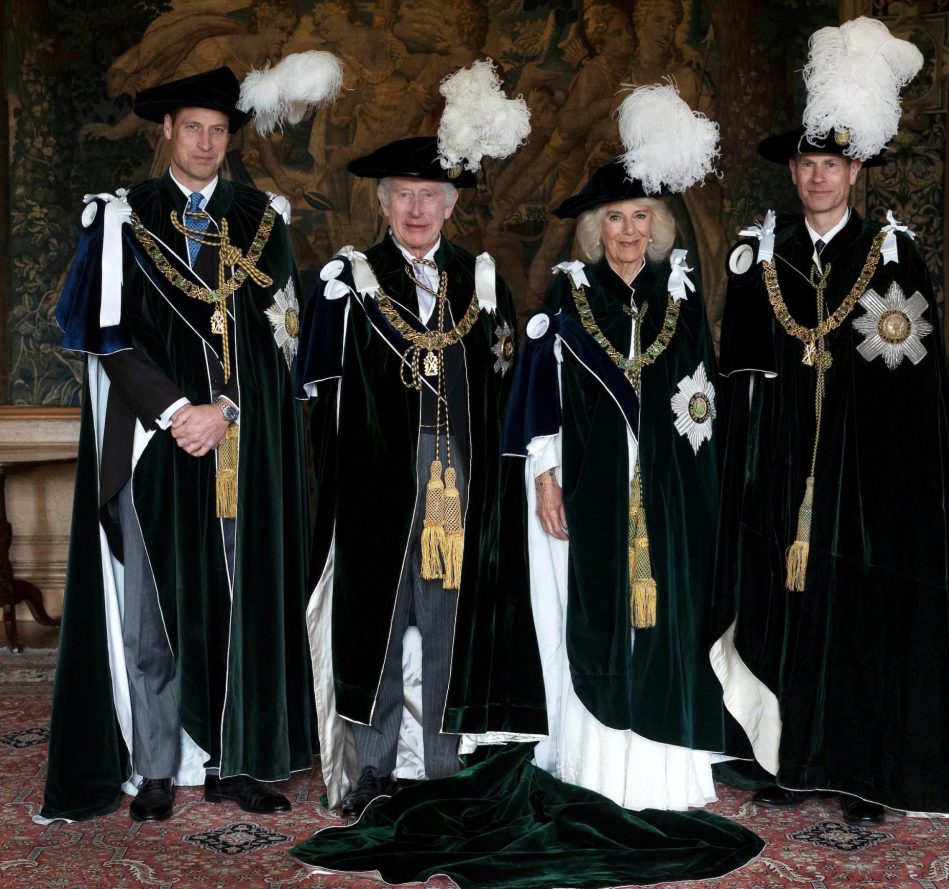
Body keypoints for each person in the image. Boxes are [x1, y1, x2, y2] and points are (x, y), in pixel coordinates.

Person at [709, 122, 949, 823]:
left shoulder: (891, 253)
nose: (819, 177)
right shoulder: (765, 254)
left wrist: (897, 484)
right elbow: (744, 376)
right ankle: (791, 759)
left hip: (863, 476)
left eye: (832, 165)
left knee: (853, 620)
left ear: (854, 174)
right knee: (786, 611)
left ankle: (855, 771)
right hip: (786, 470)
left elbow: (912, 388)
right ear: (792, 174)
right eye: (808, 164)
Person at [43, 66, 313, 823]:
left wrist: (223, 408)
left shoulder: (264, 220)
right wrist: (175, 412)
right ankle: (156, 765)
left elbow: (282, 340)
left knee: (237, 599)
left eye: (218, 130)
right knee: (152, 610)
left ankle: (237, 759)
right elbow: (109, 338)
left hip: (236, 443)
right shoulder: (122, 216)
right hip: (152, 443)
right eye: (192, 127)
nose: (205, 143)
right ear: (166, 131)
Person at [295, 135, 547, 819]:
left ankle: (439, 767)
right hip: (376, 476)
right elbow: (316, 392)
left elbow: (502, 386)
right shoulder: (350, 280)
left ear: (449, 205)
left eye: (428, 196)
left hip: (457, 477)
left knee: (448, 619)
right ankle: (371, 768)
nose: (415, 208)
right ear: (382, 203)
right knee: (372, 618)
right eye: (402, 195)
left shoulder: (478, 278)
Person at [503, 158, 728, 810]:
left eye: (638, 217)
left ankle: (663, 771)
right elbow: (537, 397)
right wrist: (546, 480)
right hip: (586, 488)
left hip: (666, 492)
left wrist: (691, 488)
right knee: (591, 613)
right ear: (595, 230)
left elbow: (702, 403)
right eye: (614, 219)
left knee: (666, 621)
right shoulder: (569, 297)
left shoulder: (679, 296)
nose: (628, 231)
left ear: (655, 225)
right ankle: (593, 765)